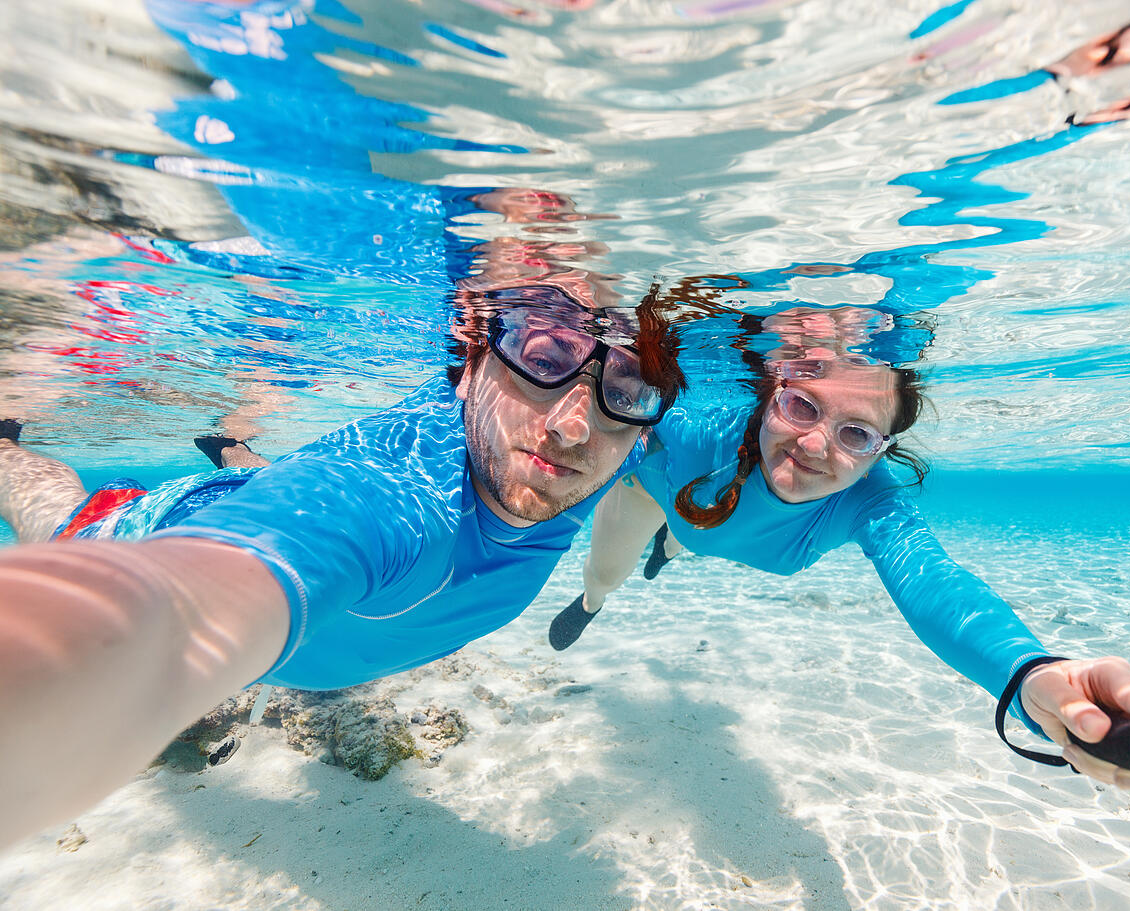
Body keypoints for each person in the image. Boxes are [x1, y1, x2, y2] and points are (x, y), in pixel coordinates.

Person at [0, 288, 685, 852]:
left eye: (623, 391)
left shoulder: (606, 445)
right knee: (57, 513)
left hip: (292, 515)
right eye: (543, 361)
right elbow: (179, 604)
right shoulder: (396, 505)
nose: (572, 427)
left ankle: (231, 448)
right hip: (155, 529)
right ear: (473, 361)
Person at [549, 312, 1130, 787]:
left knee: (693, 537)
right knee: (607, 571)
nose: (812, 446)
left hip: (703, 520)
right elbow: (593, 443)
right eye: (802, 407)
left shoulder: (872, 500)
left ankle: (676, 545)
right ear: (773, 395)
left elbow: (932, 580)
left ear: (882, 450)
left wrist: (1027, 675)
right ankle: (602, 595)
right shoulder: (695, 427)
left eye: (855, 434)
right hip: (653, 493)